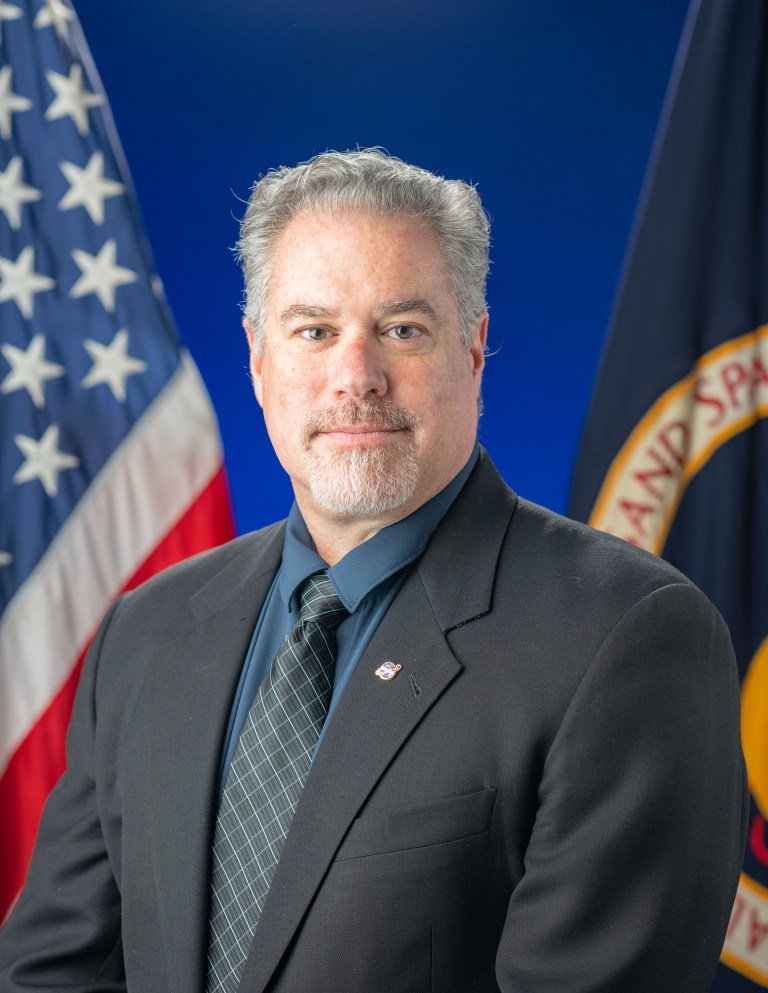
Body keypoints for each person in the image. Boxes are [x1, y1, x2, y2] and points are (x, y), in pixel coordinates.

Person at [0, 149, 747, 993]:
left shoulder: (626, 639)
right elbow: (51, 975)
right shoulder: (148, 630)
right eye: (314, 331)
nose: (355, 377)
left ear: (473, 347)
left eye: (402, 328)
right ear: (257, 357)